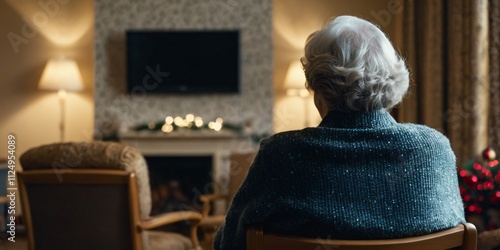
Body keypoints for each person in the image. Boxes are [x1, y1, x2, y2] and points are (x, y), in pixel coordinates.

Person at [214, 15, 465, 250]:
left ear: (318, 86)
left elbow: (229, 243)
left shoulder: (281, 154)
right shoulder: (434, 148)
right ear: (393, 78)